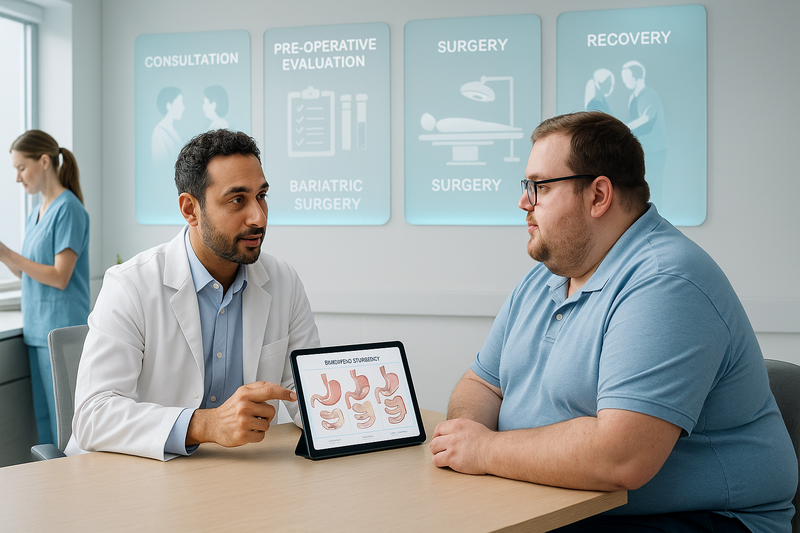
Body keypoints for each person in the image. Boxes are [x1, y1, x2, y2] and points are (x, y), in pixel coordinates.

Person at [430, 111, 797, 533]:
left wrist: (486, 451)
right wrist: (468, 437)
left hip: (705, 520)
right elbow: (483, 383)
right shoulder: (545, 278)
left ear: (598, 195)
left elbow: (621, 457)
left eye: (540, 187)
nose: (524, 202)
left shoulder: (666, 281)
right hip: (553, 501)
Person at [66, 129, 320, 460]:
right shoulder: (130, 285)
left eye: (261, 196)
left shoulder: (283, 280)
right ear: (190, 210)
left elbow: (310, 395)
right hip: (132, 478)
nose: (258, 217)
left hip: (236, 476)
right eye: (237, 200)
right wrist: (205, 425)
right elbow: (93, 417)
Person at [0, 130, 90, 446]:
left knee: (66, 428)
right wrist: (3, 253)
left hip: (61, 333)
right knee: (46, 425)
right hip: (37, 333)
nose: (17, 178)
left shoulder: (69, 209)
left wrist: (11, 254)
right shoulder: (35, 213)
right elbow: (29, 274)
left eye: (21, 168)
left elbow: (59, 276)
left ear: (43, 161)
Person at [151, 86, 185, 162]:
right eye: (179, 103)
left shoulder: (172, 130)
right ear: (169, 105)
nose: (183, 107)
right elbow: (159, 164)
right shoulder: (159, 132)